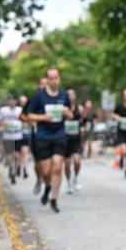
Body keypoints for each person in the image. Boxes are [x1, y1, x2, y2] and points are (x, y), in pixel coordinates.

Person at [25, 68, 72, 213]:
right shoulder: (39, 97)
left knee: (57, 166)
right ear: (47, 79)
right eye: (51, 78)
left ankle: (54, 199)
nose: (53, 81)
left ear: (59, 79)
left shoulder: (64, 96)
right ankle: (47, 186)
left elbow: (70, 116)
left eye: (56, 78)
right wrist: (43, 118)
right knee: (46, 171)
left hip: (59, 134)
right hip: (43, 136)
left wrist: (66, 112)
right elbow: (29, 116)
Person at [0, 94, 23, 184]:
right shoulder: (3, 110)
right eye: (10, 100)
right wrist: (2, 124)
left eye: (14, 100)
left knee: (16, 156)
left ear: (16, 101)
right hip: (7, 136)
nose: (12, 102)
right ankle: (11, 168)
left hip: (18, 136)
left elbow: (25, 120)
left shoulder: (20, 110)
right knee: (9, 157)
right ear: (8, 101)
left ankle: (13, 174)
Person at [63, 88, 84, 193]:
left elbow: (82, 120)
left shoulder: (79, 108)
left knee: (77, 161)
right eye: (68, 94)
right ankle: (68, 183)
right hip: (65, 139)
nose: (70, 96)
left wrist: (82, 127)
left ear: (75, 96)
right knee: (67, 164)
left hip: (76, 138)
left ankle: (75, 178)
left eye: (72, 94)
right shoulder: (63, 109)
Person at [17, 95, 31, 179]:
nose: (23, 103)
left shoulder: (30, 111)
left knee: (25, 153)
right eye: (22, 102)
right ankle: (18, 167)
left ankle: (25, 170)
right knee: (18, 154)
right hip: (16, 135)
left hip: (26, 135)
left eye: (25, 102)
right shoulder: (16, 110)